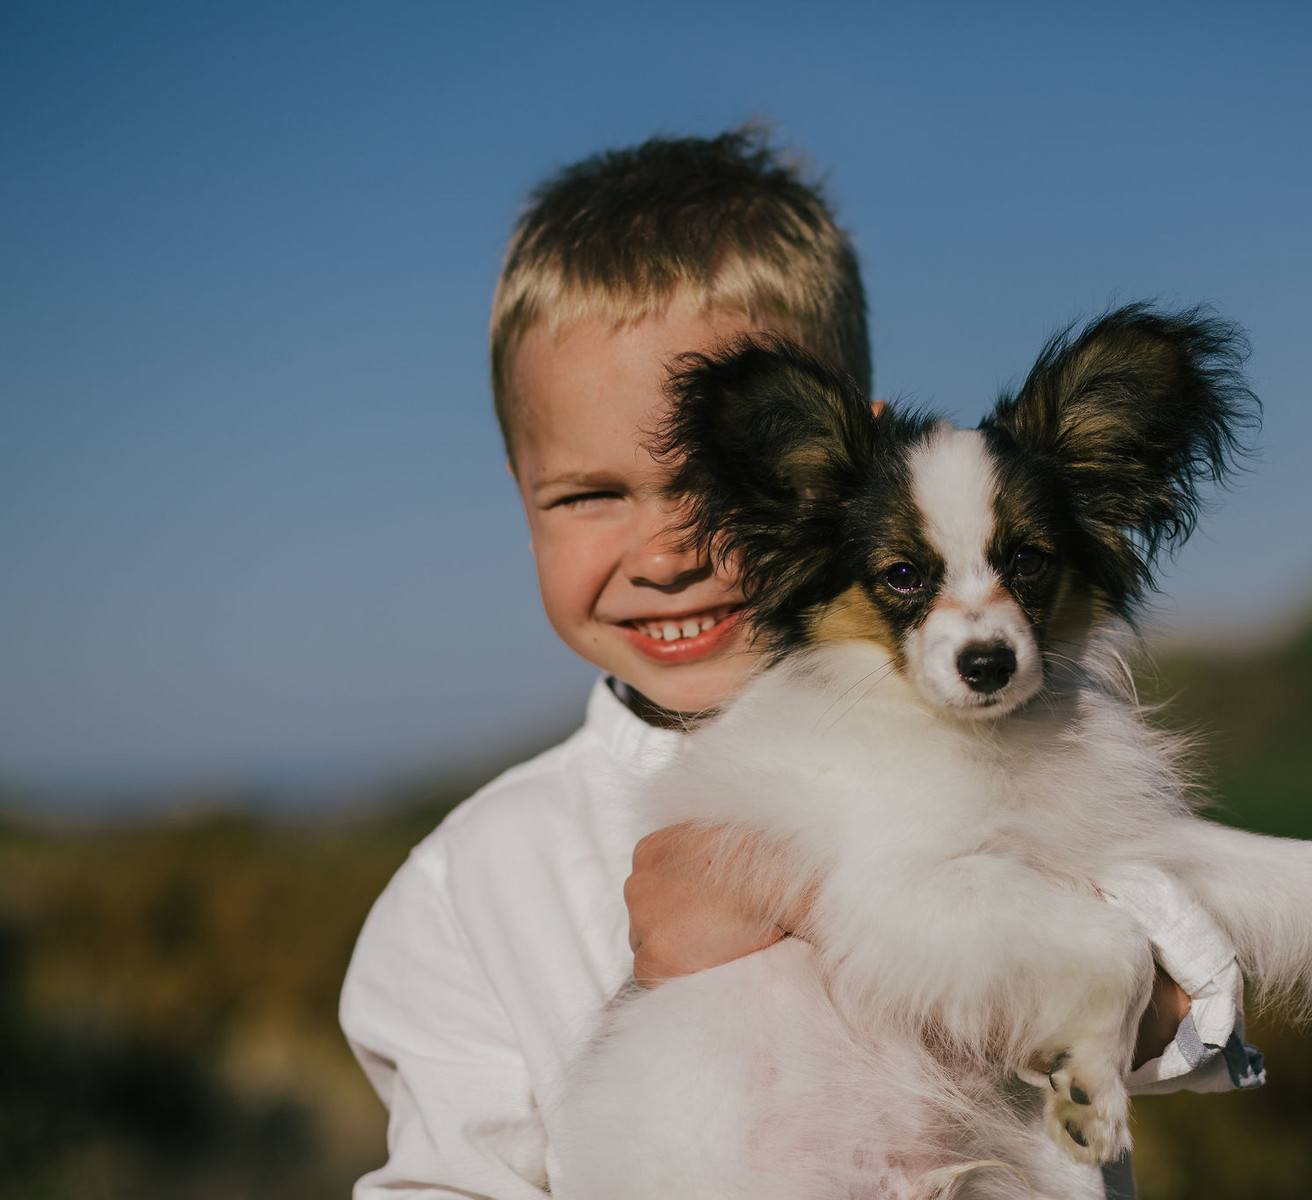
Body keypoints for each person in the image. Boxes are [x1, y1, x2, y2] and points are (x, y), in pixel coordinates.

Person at [339, 127, 1261, 1200]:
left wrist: (815, 895)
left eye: (710, 488)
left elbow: (1196, 1018)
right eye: (590, 495)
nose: (671, 552)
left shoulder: (1021, 731)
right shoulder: (468, 887)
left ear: (830, 475)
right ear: (517, 490)